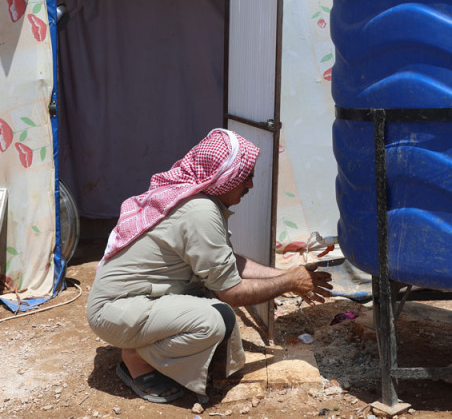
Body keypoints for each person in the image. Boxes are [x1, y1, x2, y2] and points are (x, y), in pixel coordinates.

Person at [86, 128, 333, 404]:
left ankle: (146, 347)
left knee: (215, 310)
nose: (250, 185)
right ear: (224, 178)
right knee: (212, 321)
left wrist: (287, 274)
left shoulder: (196, 201)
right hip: (115, 310)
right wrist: (289, 283)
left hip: (127, 302)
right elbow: (232, 292)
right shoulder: (199, 211)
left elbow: (226, 262)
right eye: (245, 176)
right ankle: (137, 359)